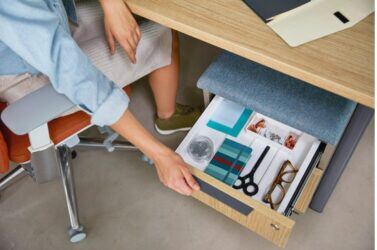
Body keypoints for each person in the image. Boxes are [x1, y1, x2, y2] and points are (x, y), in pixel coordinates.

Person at [0, 0, 200, 196]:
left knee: (140, 10)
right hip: (29, 76)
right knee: (162, 29)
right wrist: (160, 155)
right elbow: (74, 73)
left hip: (47, 23)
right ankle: (168, 116)